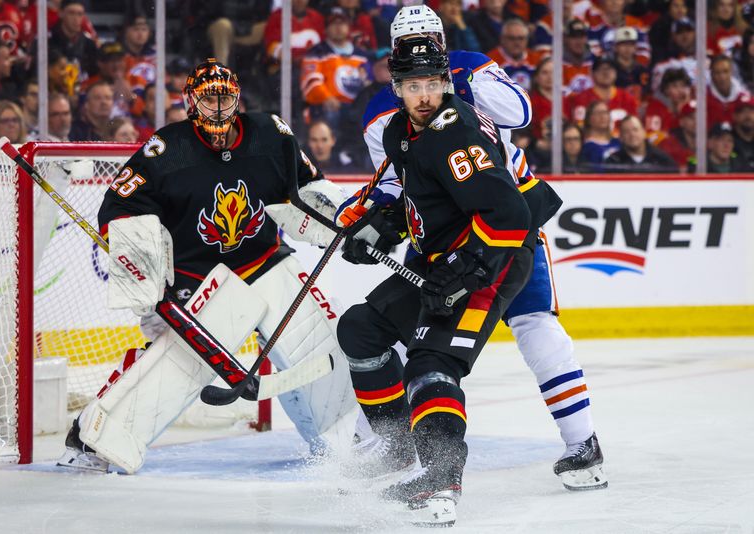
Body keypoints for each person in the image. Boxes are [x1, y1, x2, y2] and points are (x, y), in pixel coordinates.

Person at [345, 5, 607, 496]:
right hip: (443, 234)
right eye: (413, 45)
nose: (423, 49)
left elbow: (522, 113)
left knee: (532, 326)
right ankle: (386, 441)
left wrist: (454, 83)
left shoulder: (468, 69)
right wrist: (374, 226)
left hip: (502, 228)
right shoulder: (385, 113)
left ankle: (582, 443)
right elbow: (397, 186)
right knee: (390, 332)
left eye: (431, 39)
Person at [57, 58, 357, 472]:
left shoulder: (271, 134)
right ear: (190, 102)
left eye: (224, 98)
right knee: (174, 367)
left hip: (264, 260)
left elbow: (308, 188)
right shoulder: (166, 149)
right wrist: (137, 252)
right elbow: (119, 205)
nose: (217, 109)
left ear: (238, 99)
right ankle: (93, 441)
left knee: (316, 343)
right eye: (207, 99)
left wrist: (341, 215)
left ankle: (345, 439)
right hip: (196, 279)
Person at [604, 115, 679, 173]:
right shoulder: (613, 162)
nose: (632, 134)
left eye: (635, 129)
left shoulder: (661, 160)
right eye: (626, 131)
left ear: (644, 132)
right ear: (621, 137)